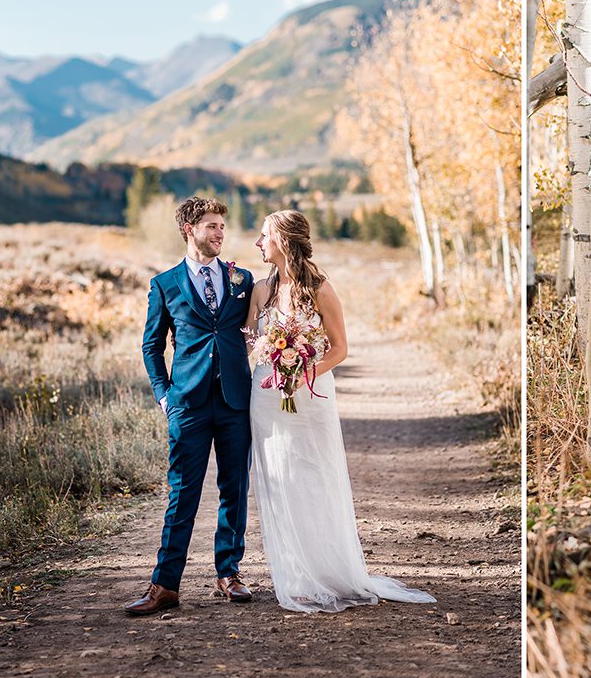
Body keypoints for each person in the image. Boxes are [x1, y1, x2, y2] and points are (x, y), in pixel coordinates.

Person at [246, 210, 435, 612]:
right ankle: (295, 574)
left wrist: (301, 372)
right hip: (265, 397)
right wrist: (269, 356)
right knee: (279, 482)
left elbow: (339, 348)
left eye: (264, 236)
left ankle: (329, 571)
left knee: (314, 477)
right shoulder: (261, 291)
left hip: (311, 394)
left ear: (282, 240)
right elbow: (249, 342)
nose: (258, 243)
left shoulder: (320, 289)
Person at [129, 197, 255, 615]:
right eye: (212, 226)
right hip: (188, 404)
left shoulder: (243, 279)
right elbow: (151, 346)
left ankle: (229, 575)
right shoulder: (165, 284)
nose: (220, 233)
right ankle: (165, 585)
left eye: (222, 226)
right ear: (189, 229)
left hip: (236, 401)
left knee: (234, 489)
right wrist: (164, 395)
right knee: (182, 492)